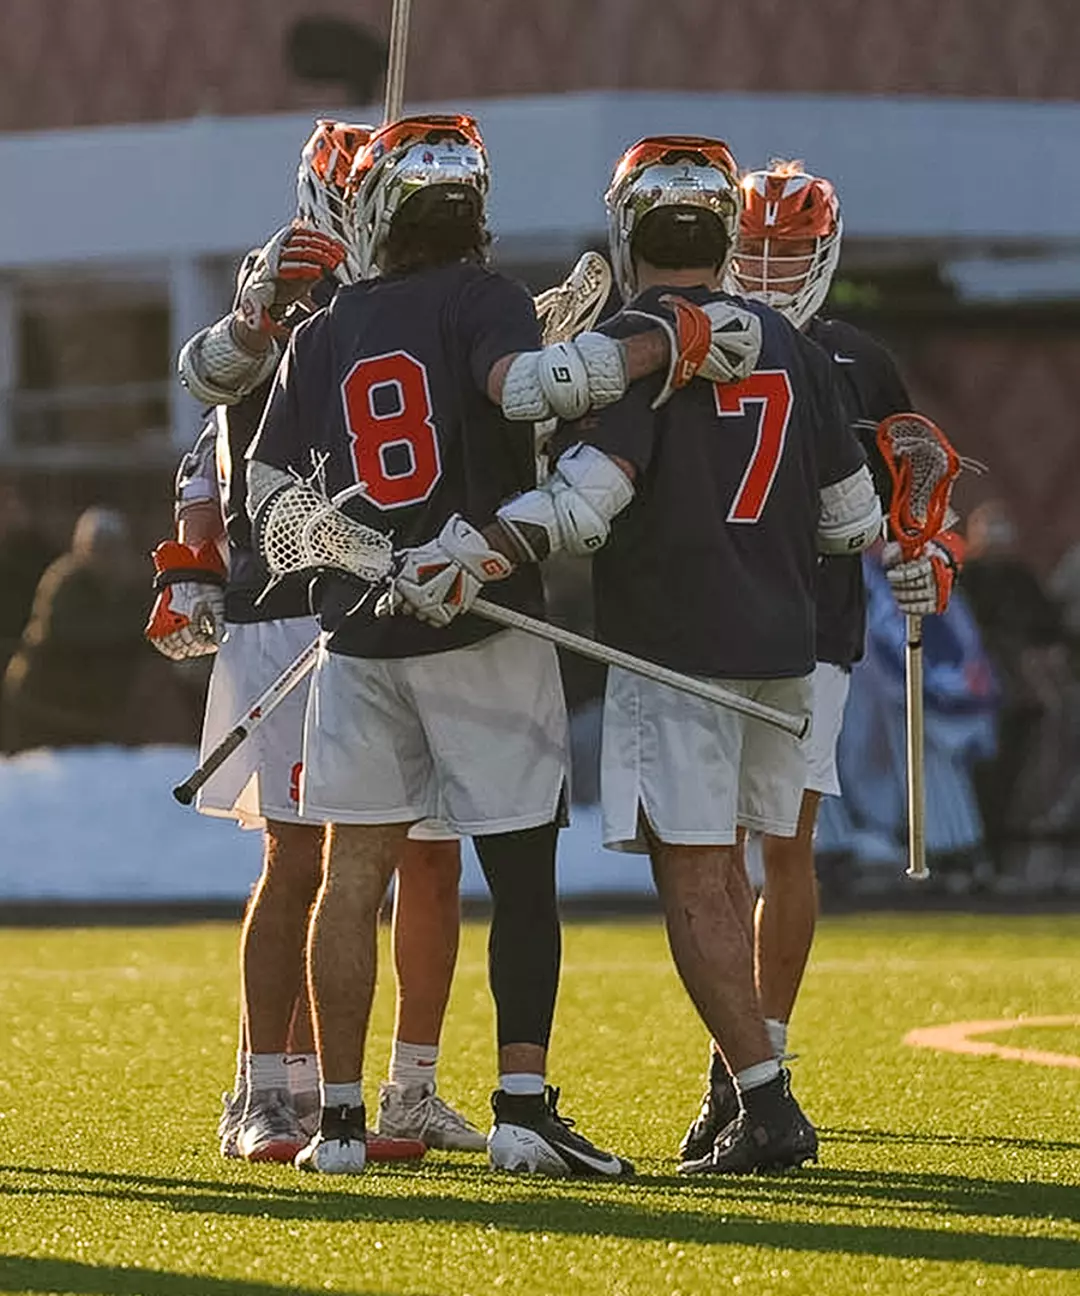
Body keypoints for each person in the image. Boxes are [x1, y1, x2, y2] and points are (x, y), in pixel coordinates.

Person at [245, 115, 748, 1176]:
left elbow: (271, 499)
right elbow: (531, 393)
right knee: (519, 874)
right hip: (481, 623)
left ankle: (338, 1126)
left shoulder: (322, 329)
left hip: (357, 633)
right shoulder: (482, 297)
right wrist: (662, 341)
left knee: (353, 873)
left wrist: (364, 554)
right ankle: (523, 1108)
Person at [385, 134, 882, 1172]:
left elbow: (590, 499)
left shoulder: (638, 342)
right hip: (787, 646)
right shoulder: (792, 345)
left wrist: (481, 550)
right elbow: (850, 522)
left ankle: (765, 1100)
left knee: (695, 874)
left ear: (629, 228)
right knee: (750, 862)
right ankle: (752, 1087)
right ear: (727, 233)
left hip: (679, 649)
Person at [149, 121, 484, 1162]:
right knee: (300, 853)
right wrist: (195, 555)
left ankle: (405, 1089)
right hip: (291, 600)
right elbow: (208, 399)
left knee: (426, 857)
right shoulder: (283, 289)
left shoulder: (432, 292)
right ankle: (267, 1092)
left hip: (402, 595)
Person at [677, 160, 967, 1161]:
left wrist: (932, 562)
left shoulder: (857, 359)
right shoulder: (693, 342)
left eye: (786, 252)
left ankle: (754, 1069)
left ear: (824, 255)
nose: (764, 268)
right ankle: (744, 1066)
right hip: (707, 625)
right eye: (750, 249)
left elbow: (918, 502)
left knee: (781, 844)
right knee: (704, 855)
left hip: (815, 629)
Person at [4, 508, 148, 753]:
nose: (106, 556)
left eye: (112, 548)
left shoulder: (129, 587)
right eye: (98, 548)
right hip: (46, 695)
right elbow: (71, 629)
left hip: (93, 705)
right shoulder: (64, 580)